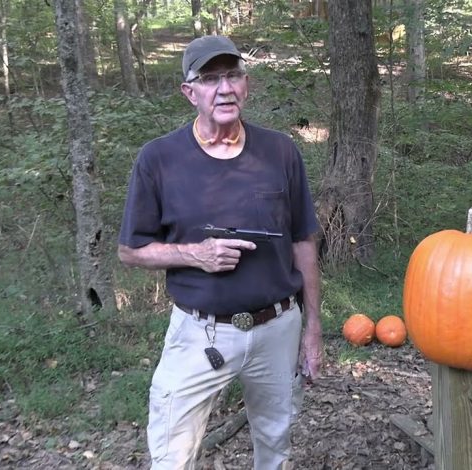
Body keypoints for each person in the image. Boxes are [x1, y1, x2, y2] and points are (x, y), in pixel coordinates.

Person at [117, 35, 323, 470]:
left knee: (275, 440)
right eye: (210, 79)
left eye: (232, 75)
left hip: (277, 327)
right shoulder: (159, 159)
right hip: (200, 334)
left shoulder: (280, 151)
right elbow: (131, 252)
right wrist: (197, 254)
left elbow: (304, 240)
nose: (224, 88)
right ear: (189, 93)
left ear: (246, 84)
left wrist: (312, 329)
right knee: (172, 453)